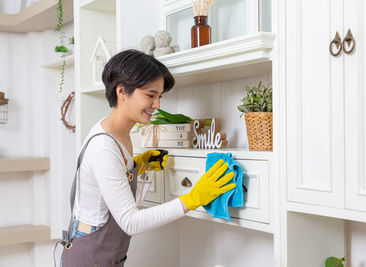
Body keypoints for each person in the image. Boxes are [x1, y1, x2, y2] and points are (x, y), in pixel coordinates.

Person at [60, 49, 236, 266]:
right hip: (89, 257)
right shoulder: (103, 148)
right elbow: (130, 222)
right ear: (122, 91)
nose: (157, 105)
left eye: (159, 96)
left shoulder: (119, 134)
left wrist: (138, 165)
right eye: (150, 95)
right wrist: (194, 198)